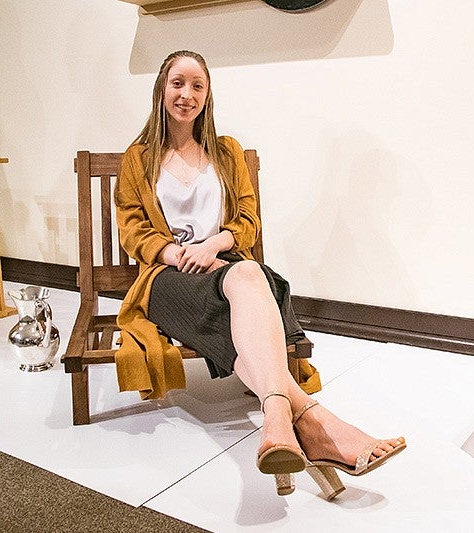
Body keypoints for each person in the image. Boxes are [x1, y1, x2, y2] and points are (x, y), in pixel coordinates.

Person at [114, 50, 405, 499]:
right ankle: (312, 420)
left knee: (250, 275)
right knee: (250, 286)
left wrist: (214, 245)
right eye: (178, 83)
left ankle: (278, 425)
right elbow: (133, 229)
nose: (186, 94)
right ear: (161, 89)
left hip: (225, 266)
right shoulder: (139, 158)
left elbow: (247, 219)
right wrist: (176, 253)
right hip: (166, 280)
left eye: (197, 86)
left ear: (208, 95)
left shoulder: (227, 152)